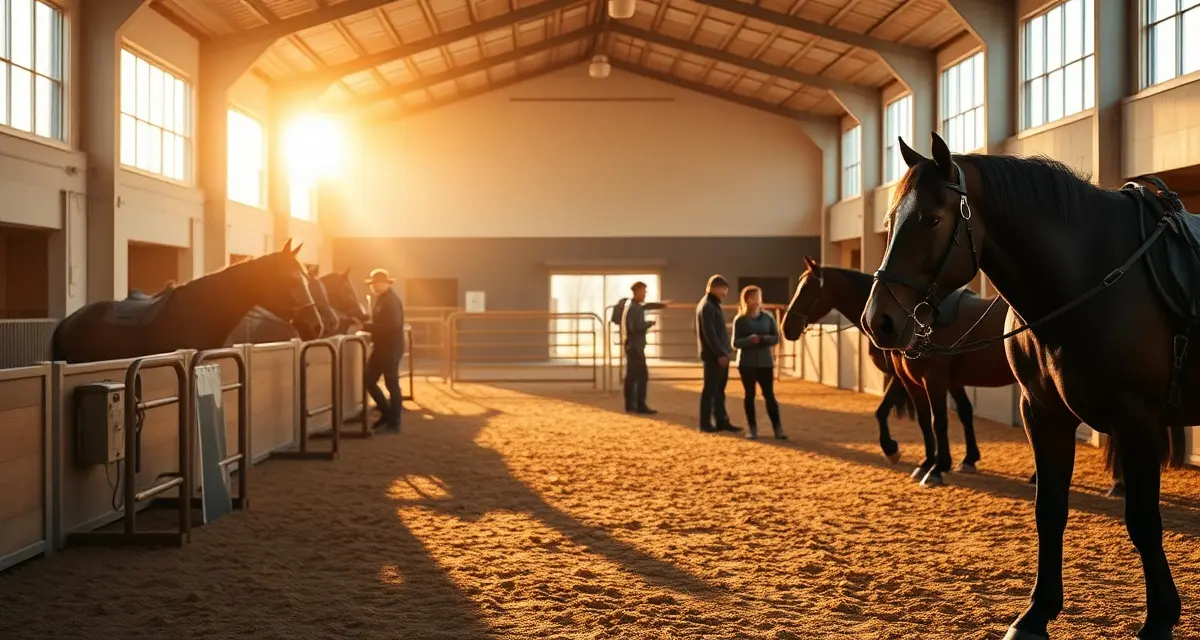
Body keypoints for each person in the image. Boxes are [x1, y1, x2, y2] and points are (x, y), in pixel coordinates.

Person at [732, 285, 787, 440]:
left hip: (765, 362)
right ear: (746, 300)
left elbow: (776, 338)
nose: (757, 300)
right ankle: (752, 429)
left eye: (759, 297)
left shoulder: (768, 317)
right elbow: (735, 343)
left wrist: (764, 339)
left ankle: (778, 429)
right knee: (749, 395)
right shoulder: (740, 320)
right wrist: (749, 340)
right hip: (746, 363)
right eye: (754, 297)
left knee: (769, 395)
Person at [695, 275, 740, 433]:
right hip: (714, 356)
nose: (725, 293)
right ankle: (705, 423)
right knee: (711, 390)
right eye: (723, 289)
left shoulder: (711, 305)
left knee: (719, 390)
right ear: (713, 288)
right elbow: (710, 334)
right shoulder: (708, 306)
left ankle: (721, 420)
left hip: (717, 354)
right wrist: (721, 353)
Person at [362, 268, 406, 433]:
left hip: (389, 348)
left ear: (384, 284)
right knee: (372, 380)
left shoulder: (389, 301)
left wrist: (366, 326)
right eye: (372, 284)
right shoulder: (384, 299)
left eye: (375, 283)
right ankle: (388, 415)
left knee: (390, 383)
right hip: (384, 347)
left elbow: (392, 326)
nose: (372, 286)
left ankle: (393, 420)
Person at [621, 281, 668, 414]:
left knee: (632, 376)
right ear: (637, 292)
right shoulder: (634, 308)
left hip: (632, 346)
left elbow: (646, 306)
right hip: (635, 347)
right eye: (643, 291)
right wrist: (649, 324)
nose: (645, 294)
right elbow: (635, 327)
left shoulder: (633, 306)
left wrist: (661, 305)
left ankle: (631, 405)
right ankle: (639, 405)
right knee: (641, 376)